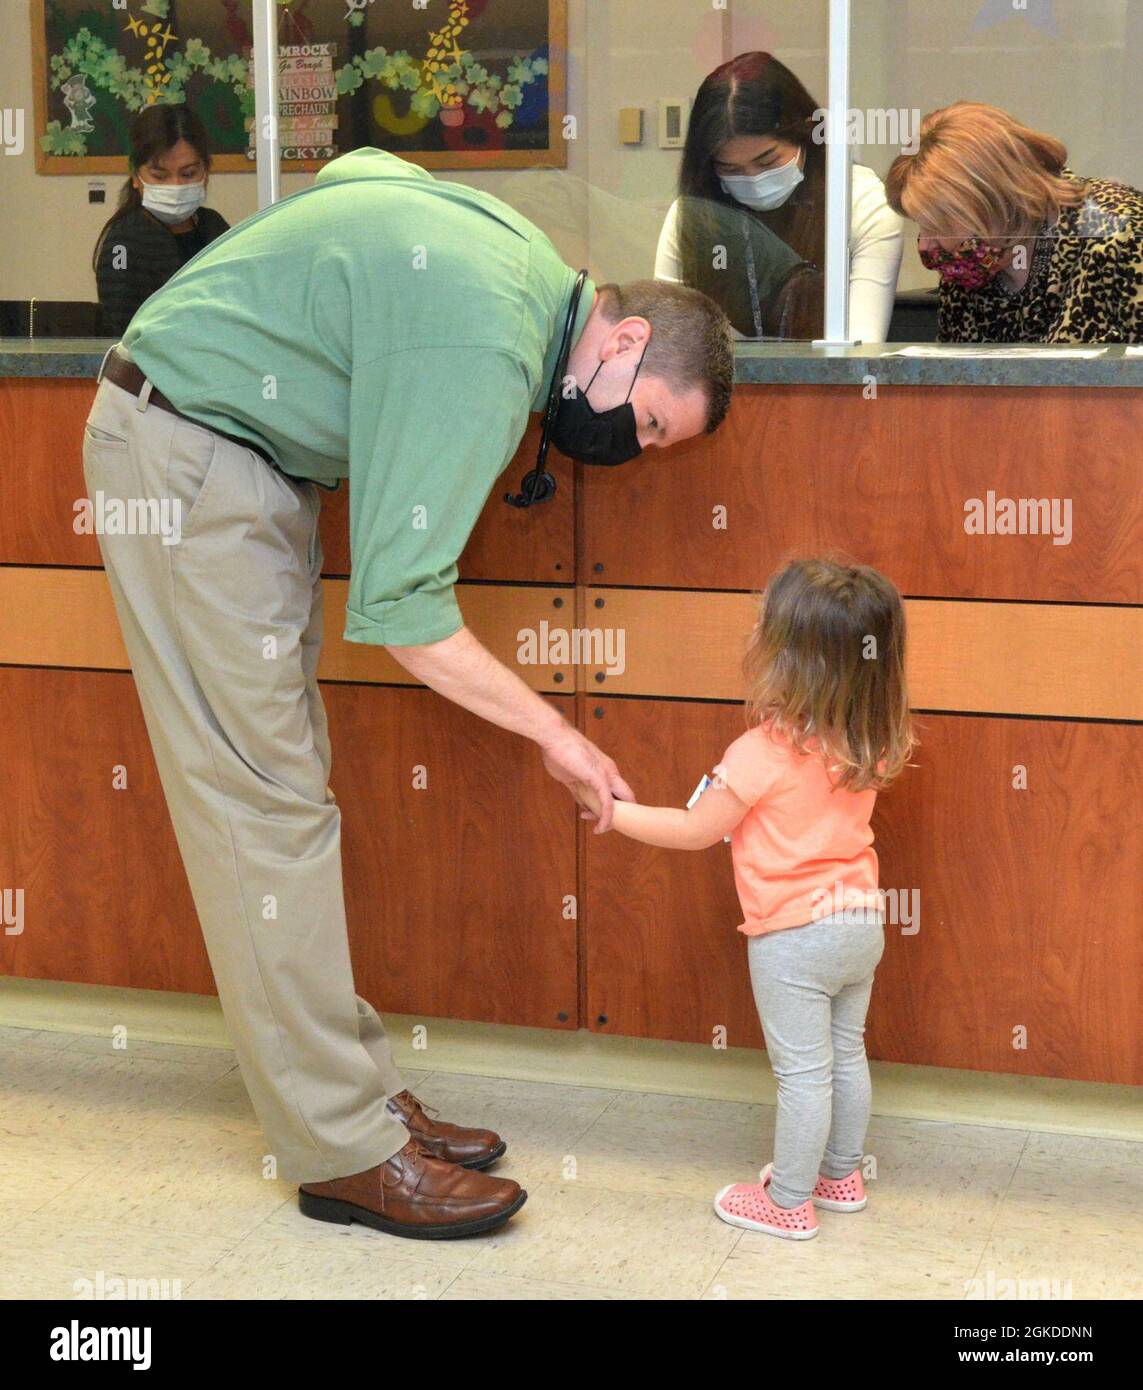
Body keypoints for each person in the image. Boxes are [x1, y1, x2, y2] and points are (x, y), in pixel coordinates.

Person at [81, 145, 735, 1241]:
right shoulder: (489, 337)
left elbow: (357, 172)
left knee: (286, 802)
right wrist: (560, 737)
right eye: (652, 422)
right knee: (264, 812)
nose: (630, 448)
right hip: (189, 457)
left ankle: (351, 1092)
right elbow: (405, 612)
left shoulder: (523, 265)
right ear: (623, 340)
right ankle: (342, 1150)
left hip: (227, 456)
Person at [575, 558, 915, 1240]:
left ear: (786, 658)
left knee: (802, 1074)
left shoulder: (760, 751)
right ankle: (839, 1177)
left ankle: (787, 1202)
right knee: (845, 1056)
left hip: (793, 938)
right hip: (859, 923)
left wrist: (613, 813)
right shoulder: (868, 737)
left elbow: (694, 829)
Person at [655, 52, 904, 342]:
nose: (753, 179)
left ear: (804, 135)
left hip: (831, 385)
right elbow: (671, 344)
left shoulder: (862, 203)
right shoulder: (695, 215)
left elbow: (862, 350)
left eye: (767, 161)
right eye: (729, 168)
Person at [885, 101, 1143, 343]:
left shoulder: (1120, 233)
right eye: (921, 225)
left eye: (939, 226)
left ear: (996, 202)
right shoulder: (971, 268)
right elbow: (960, 385)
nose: (925, 245)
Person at [93, 104, 229, 336]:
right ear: (136, 177)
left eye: (188, 174)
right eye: (159, 175)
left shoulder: (214, 227)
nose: (175, 186)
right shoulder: (121, 244)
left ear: (205, 171)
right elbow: (126, 332)